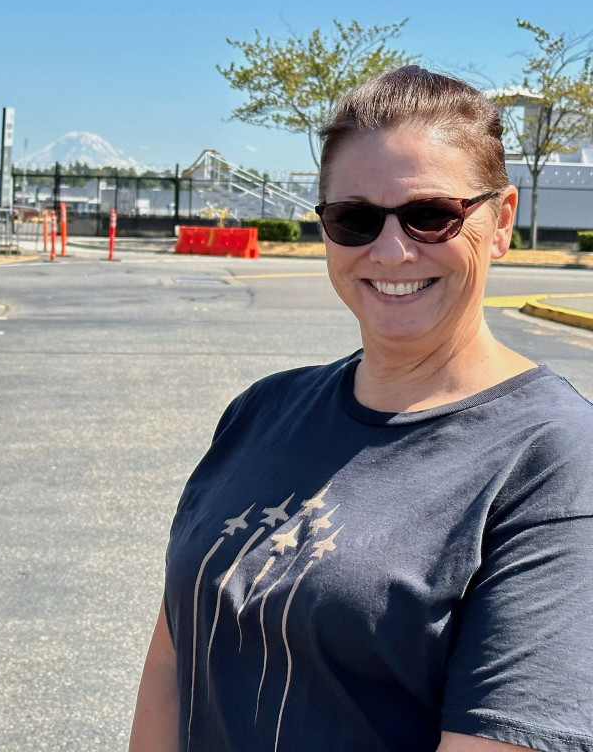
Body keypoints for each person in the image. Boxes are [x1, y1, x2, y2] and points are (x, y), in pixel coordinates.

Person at [129, 66, 593, 752]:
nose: (392, 249)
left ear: (500, 221)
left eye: (431, 215)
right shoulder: (261, 412)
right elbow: (175, 660)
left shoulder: (552, 459)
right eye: (355, 219)